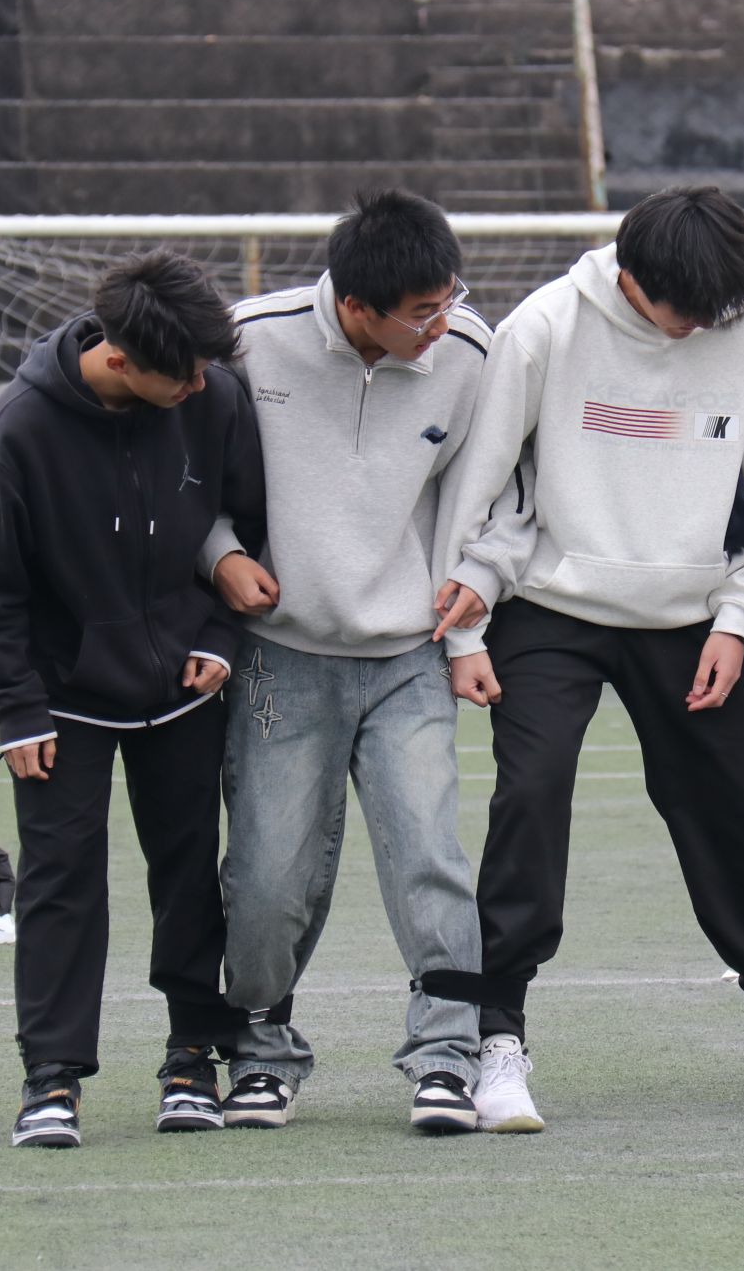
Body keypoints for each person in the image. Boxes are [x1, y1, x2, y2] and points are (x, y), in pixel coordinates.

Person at [435, 187, 744, 1131]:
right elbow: (479, 482)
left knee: (732, 817)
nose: (698, 326)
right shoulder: (543, 327)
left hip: (691, 615)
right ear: (629, 277)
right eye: (680, 311)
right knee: (528, 800)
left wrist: (738, 617)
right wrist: (463, 633)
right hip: (550, 604)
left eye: (715, 311)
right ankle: (498, 1038)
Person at [0, 249, 266, 1149]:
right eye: (183, 375)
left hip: (184, 689)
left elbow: (246, 526)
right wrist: (16, 706)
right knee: (61, 880)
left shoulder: (215, 398)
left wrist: (218, 634)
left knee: (190, 873)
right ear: (120, 359)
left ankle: (192, 1055)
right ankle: (51, 1076)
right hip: (62, 701)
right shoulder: (14, 431)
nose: (199, 386)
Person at [202, 191, 493, 1134]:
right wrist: (219, 553)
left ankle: (447, 1056)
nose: (441, 324)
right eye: (422, 312)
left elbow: (494, 495)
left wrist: (474, 606)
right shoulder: (250, 340)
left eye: (449, 300)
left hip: (411, 654)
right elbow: (183, 468)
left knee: (430, 856)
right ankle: (261, 1053)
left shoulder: (470, 354)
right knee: (266, 873)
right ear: (356, 304)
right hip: (280, 656)